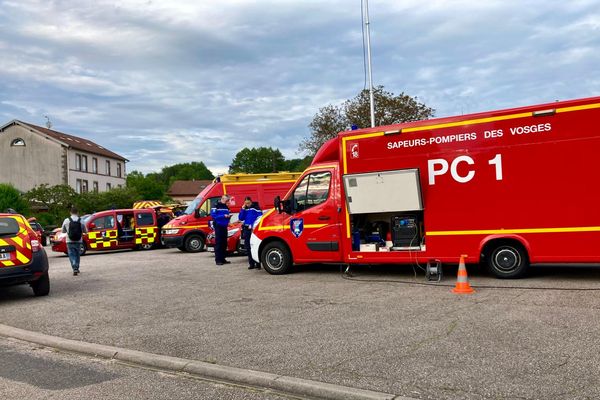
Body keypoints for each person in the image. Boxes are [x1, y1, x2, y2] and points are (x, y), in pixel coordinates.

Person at [61, 206, 87, 276]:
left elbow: (63, 231)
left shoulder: (66, 220)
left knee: (71, 254)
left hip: (69, 240)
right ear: (77, 212)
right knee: (77, 254)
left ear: (70, 212)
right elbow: (85, 231)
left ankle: (74, 267)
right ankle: (77, 267)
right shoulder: (81, 220)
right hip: (78, 240)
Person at [238, 196, 262, 269]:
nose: (247, 205)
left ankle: (257, 264)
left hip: (253, 229)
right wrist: (242, 209)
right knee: (248, 247)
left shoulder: (256, 208)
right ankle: (251, 264)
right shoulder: (245, 209)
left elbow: (260, 218)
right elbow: (241, 218)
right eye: (246, 203)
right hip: (246, 229)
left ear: (251, 201)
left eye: (248, 203)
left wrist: (252, 225)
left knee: (255, 246)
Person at [210, 195, 231, 266]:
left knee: (224, 243)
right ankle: (218, 260)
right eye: (226, 200)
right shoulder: (216, 205)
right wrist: (223, 216)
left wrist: (228, 218)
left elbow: (227, 215)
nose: (227, 201)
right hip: (218, 226)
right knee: (219, 243)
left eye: (228, 200)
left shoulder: (226, 207)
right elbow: (213, 215)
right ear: (222, 199)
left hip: (224, 226)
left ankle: (223, 258)